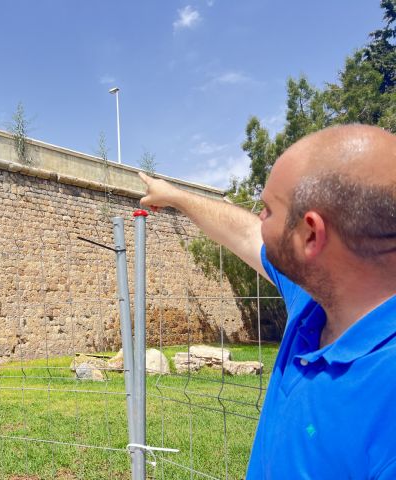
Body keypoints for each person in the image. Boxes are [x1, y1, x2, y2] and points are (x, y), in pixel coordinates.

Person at [138, 124, 396, 479]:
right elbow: (242, 232)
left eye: (268, 210)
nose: (258, 219)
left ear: (310, 234)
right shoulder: (315, 298)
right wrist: (175, 196)